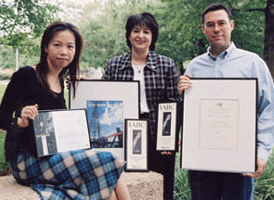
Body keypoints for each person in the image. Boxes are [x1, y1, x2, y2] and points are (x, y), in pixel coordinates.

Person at [0, 21, 131, 200]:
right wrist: (20, 122)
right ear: (46, 47)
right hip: (27, 161)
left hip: (53, 156)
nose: (64, 52)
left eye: (70, 47)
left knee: (107, 182)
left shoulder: (61, 82)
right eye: (57, 45)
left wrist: (82, 89)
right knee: (107, 160)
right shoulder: (26, 75)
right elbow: (2, 119)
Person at [178, 3, 274, 200]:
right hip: (202, 160)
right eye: (210, 24)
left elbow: (269, 109)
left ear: (231, 25)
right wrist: (181, 96)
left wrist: (261, 151)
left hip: (240, 160)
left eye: (221, 23)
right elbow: (189, 112)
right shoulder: (194, 67)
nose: (216, 29)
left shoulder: (252, 63)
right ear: (203, 29)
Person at [103, 12, 181, 200]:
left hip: (157, 132)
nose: (141, 35)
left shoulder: (166, 64)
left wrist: (169, 138)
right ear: (129, 35)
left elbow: (173, 102)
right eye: (136, 30)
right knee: (129, 184)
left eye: (146, 31)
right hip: (124, 133)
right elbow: (103, 99)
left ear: (152, 36)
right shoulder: (114, 65)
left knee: (162, 186)